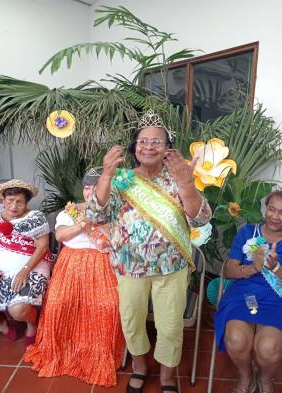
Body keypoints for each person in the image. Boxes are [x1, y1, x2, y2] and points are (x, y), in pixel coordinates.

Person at [86, 110, 212, 393]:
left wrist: (187, 183)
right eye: (143, 141)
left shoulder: (179, 176)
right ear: (135, 147)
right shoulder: (121, 179)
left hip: (172, 267)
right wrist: (106, 175)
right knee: (131, 322)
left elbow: (201, 219)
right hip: (130, 267)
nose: (149, 146)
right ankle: (140, 367)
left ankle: (167, 377)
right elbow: (94, 215)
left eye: (157, 141)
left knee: (169, 327)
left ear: (168, 148)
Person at [24, 170, 125, 387]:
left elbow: (117, 240)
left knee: (108, 305)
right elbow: (60, 235)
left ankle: (98, 354)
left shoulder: (117, 212)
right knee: (58, 303)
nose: (90, 192)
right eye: (87, 188)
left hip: (103, 264)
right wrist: (85, 220)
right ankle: (60, 350)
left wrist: (97, 219)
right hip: (70, 264)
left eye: (95, 188)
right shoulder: (69, 211)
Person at [215, 190, 282, 393]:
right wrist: (254, 267)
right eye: (271, 209)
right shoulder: (247, 233)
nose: (275, 216)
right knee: (236, 340)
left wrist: (275, 268)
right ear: (265, 208)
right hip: (245, 296)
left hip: (276, 299)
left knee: (267, 349)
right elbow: (228, 270)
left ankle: (265, 378)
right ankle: (246, 376)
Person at [0, 179, 51, 345]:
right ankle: (2, 325)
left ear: (26, 202)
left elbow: (43, 247)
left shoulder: (35, 218)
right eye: (10, 201)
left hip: (31, 268)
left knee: (18, 310)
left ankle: (33, 323)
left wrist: (25, 270)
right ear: (2, 201)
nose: (14, 206)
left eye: (19, 202)